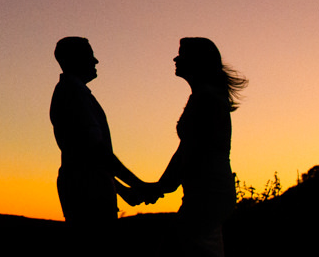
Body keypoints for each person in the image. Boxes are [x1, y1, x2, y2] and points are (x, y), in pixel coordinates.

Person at [49, 36, 158, 232]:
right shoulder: (74, 93)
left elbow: (87, 156)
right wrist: (138, 184)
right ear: (73, 60)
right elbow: (95, 151)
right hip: (88, 192)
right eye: (90, 56)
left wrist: (121, 190)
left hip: (87, 188)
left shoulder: (72, 92)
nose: (95, 61)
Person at [156, 37, 247, 257]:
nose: (176, 58)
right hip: (208, 191)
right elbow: (187, 150)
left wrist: (158, 187)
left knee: (182, 248)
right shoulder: (204, 96)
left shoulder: (205, 98)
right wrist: (160, 187)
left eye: (182, 54)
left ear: (198, 61)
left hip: (209, 192)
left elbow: (190, 151)